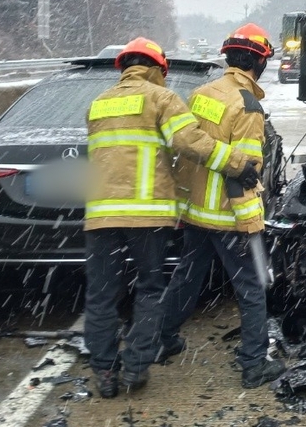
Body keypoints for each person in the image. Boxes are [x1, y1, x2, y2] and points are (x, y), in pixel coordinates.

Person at [84, 37, 258, 399]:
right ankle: (135, 366)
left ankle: (103, 371)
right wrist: (239, 165)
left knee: (101, 295)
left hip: (101, 213)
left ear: (124, 66)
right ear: (157, 69)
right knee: (149, 288)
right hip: (148, 213)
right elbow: (191, 143)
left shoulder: (98, 103)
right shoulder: (162, 99)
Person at [159, 23, 286, 389]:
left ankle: (162, 341)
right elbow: (244, 173)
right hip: (229, 217)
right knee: (253, 287)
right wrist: (252, 224)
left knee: (186, 279)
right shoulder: (248, 106)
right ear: (259, 63)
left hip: (196, 212)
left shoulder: (201, 94)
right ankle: (253, 365)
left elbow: (190, 148)